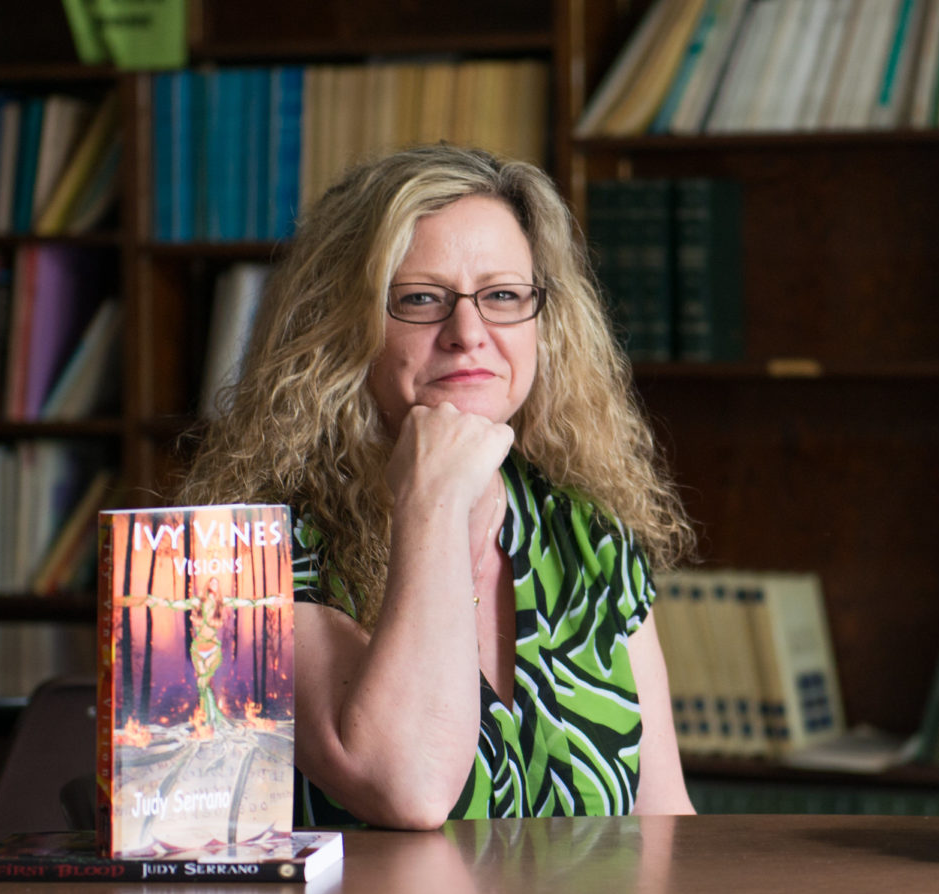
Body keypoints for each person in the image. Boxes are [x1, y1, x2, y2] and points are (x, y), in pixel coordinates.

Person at [179, 144, 696, 828]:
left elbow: (665, 825)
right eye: (420, 299)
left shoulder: (589, 539)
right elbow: (407, 787)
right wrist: (435, 502)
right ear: (341, 326)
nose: (468, 333)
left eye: (504, 296)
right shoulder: (249, 554)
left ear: (547, 323)